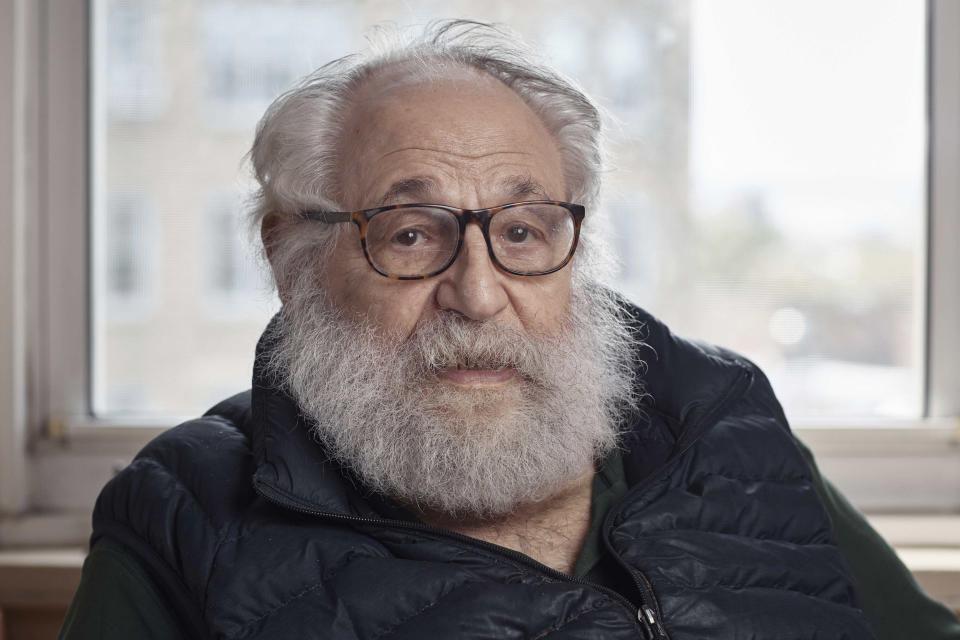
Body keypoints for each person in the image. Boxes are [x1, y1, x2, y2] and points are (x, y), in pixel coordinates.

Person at [60, 21, 959, 640]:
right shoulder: (180, 512)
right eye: (412, 236)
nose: (479, 293)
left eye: (523, 232)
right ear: (292, 259)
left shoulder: (718, 422)